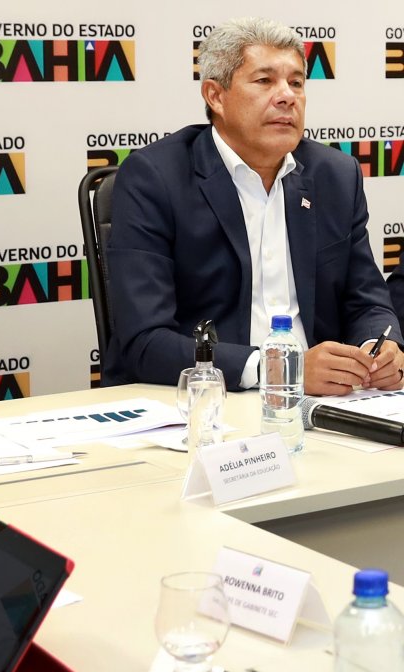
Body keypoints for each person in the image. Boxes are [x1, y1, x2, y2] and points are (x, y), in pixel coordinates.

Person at [103, 17, 404, 395]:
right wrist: (279, 369)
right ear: (215, 96)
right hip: (208, 397)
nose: (287, 96)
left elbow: (367, 302)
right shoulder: (154, 177)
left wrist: (378, 349)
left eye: (296, 82)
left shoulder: (336, 176)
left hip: (320, 403)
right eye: (265, 81)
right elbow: (144, 340)